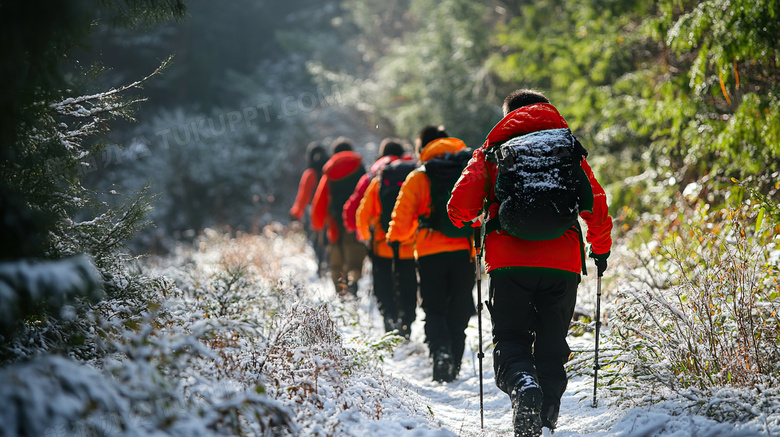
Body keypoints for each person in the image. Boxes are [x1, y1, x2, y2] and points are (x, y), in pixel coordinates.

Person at [447, 89, 613, 436]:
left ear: (508, 114)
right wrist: (600, 249)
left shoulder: (491, 151)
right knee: (553, 341)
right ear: (546, 109)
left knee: (511, 336)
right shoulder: (568, 148)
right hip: (562, 264)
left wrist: (477, 221)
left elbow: (459, 208)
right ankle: (547, 416)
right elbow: (595, 204)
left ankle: (524, 385)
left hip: (509, 265)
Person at [386, 126, 475, 382]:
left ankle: (440, 352)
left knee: (434, 308)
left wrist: (395, 238)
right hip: (463, 251)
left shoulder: (418, 176)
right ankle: (456, 360)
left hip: (428, 253)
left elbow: (401, 220)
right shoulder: (467, 172)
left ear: (422, 148)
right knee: (458, 307)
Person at [355, 138, 417, 337]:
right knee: (407, 284)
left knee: (384, 285)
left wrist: (367, 238)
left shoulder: (379, 180)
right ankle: (406, 321)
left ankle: (389, 318)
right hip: (408, 246)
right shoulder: (413, 178)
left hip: (382, 246)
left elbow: (362, 214)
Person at [311, 137, 367, 297]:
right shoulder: (360, 168)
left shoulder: (329, 172)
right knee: (354, 259)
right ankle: (353, 285)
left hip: (335, 224)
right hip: (355, 224)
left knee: (336, 262)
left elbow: (319, 201)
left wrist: (318, 225)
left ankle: (341, 293)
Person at [289, 141, 329, 277]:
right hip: (331, 212)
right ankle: (328, 264)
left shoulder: (310, 173)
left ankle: (321, 265)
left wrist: (296, 213)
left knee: (316, 240)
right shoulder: (329, 170)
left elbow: (303, 196)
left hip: (313, 213)